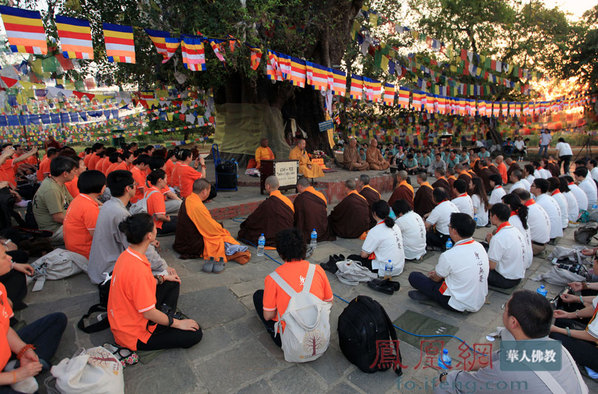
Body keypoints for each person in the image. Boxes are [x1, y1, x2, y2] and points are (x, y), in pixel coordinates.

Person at [437, 290, 589, 394]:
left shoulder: (505, 373)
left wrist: (445, 376)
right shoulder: (557, 349)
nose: (503, 312)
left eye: (505, 309)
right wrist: (470, 365)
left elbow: (463, 383)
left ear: (513, 322)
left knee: (443, 388)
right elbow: (501, 356)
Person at [108, 214, 202, 351]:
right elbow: (148, 313)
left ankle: (165, 317)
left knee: (172, 282)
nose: (156, 229)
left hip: (126, 317)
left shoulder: (127, 255)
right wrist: (177, 324)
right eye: (154, 227)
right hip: (133, 333)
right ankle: (166, 321)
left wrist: (163, 278)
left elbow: (139, 286)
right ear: (149, 236)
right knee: (195, 334)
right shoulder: (138, 269)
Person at [0, 243, 67, 392]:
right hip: (7, 373)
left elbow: (5, 328)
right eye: (4, 256)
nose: (10, 257)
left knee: (57, 319)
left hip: (5, 353)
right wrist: (15, 376)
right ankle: (27, 371)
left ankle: (27, 366)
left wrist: (24, 350)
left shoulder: (0, 288)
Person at [88, 170, 171, 285]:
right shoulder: (120, 214)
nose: (136, 187)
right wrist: (164, 267)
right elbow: (137, 246)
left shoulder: (108, 205)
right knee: (166, 277)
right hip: (108, 272)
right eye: (135, 184)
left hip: (99, 266)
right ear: (128, 188)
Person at [253, 228, 333, 347]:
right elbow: (328, 302)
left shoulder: (273, 279)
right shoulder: (317, 270)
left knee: (259, 296)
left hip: (288, 341)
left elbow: (268, 316)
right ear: (304, 249)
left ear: (280, 253)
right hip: (318, 335)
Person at [409, 213, 488, 312]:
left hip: (456, 303)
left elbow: (437, 279)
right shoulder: (480, 246)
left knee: (414, 277)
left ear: (454, 231)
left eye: (449, 226)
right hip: (478, 300)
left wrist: (436, 275)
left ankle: (431, 295)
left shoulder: (449, 255)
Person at [173, 179, 250, 268]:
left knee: (220, 232)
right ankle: (233, 250)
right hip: (192, 245)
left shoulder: (189, 199)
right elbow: (210, 228)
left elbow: (205, 222)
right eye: (209, 190)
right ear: (205, 191)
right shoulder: (196, 205)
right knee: (221, 238)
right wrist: (220, 228)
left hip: (183, 239)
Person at [347, 200, 405, 277]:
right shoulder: (395, 225)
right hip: (399, 266)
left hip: (386, 270)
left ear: (374, 213)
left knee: (351, 258)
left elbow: (364, 255)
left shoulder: (374, 231)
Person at [32, 156, 77, 244]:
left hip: (63, 222)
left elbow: (73, 202)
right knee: (92, 233)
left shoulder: (57, 182)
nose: (75, 172)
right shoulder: (52, 189)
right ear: (65, 174)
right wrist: (80, 223)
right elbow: (58, 217)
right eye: (74, 170)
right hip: (54, 230)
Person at [239, 176, 294, 246]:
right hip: (287, 234)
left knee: (245, 232)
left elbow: (253, 219)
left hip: (274, 236)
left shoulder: (267, 204)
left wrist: (244, 224)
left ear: (268, 186)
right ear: (278, 186)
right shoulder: (287, 200)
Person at [63, 170, 105, 259]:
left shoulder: (79, 199)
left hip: (74, 247)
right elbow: (97, 235)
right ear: (100, 187)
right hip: (84, 252)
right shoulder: (89, 207)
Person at [485, 203, 528, 289]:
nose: (489, 218)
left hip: (505, 279)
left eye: (490, 215)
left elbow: (491, 266)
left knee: (475, 268)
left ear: (495, 217)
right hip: (517, 276)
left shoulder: (498, 238)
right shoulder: (515, 230)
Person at [293, 178, 333, 244]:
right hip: (322, 229)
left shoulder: (300, 199)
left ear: (300, 186)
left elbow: (296, 215)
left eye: (297, 188)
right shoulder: (320, 195)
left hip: (307, 233)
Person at [512, 188, 550, 256]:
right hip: (541, 243)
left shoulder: (527, 210)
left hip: (535, 246)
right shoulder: (535, 205)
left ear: (520, 200)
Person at [502, 193, 533, 269]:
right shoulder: (520, 217)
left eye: (502, 205)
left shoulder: (510, 221)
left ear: (508, 206)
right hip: (528, 257)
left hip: (520, 262)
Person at [145, 169, 177, 236]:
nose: (166, 181)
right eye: (165, 179)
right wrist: (167, 219)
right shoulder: (157, 194)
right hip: (157, 226)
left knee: (177, 218)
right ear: (160, 180)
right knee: (183, 222)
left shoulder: (149, 190)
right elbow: (159, 216)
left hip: (149, 223)